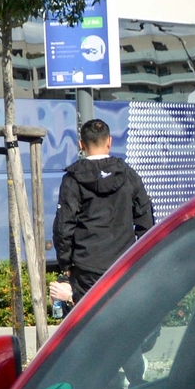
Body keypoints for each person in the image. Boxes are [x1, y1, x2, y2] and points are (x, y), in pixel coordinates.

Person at [50, 118, 153, 305]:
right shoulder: (128, 174)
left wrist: (65, 264)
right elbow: (146, 219)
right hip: (124, 263)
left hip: (86, 267)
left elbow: (64, 226)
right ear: (109, 141)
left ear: (81, 145)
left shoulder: (72, 180)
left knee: (90, 318)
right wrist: (140, 255)